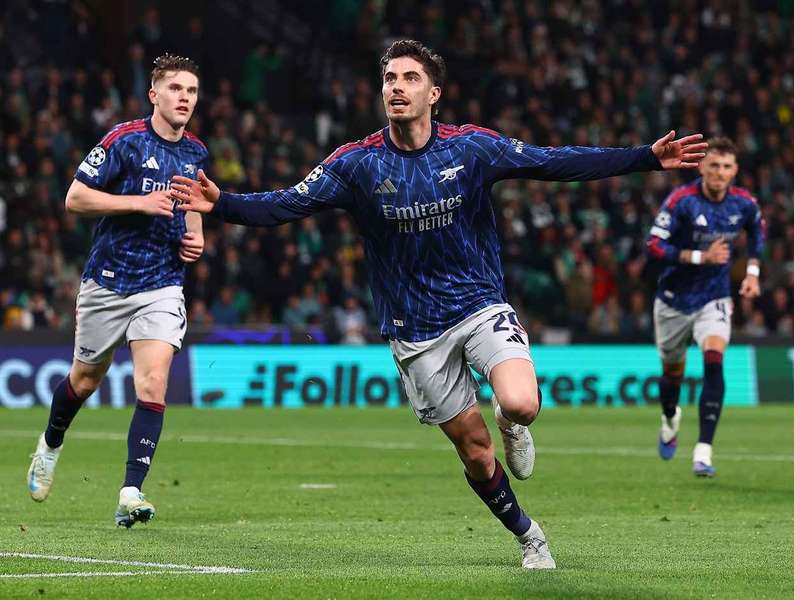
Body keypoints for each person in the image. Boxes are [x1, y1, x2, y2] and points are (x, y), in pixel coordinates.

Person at [171, 40, 705, 568]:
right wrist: (223, 204)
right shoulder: (356, 164)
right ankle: (528, 534)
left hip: (478, 304)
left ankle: (512, 422)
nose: (397, 88)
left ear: (435, 93)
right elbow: (287, 204)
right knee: (474, 450)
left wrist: (644, 158)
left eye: (410, 79)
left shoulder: (471, 148)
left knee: (520, 402)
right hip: (414, 328)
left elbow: (553, 162)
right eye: (390, 79)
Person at [27, 54, 208, 528]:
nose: (184, 98)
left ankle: (131, 490)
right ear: (154, 95)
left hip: (162, 285)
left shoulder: (196, 152)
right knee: (84, 381)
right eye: (175, 89)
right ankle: (50, 444)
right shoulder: (123, 141)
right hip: (107, 284)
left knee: (152, 383)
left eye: (190, 90)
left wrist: (196, 234)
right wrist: (138, 203)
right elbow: (75, 198)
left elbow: (192, 204)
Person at [646, 137, 764, 477]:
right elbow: (653, 245)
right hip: (672, 299)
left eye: (727, 167)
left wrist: (753, 273)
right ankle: (670, 416)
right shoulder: (681, 201)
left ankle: (703, 451)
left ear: (735, 170)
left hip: (714, 297)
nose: (719, 173)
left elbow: (757, 232)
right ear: (701, 166)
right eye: (714, 165)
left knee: (714, 361)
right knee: (672, 374)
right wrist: (700, 256)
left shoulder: (744, 204)